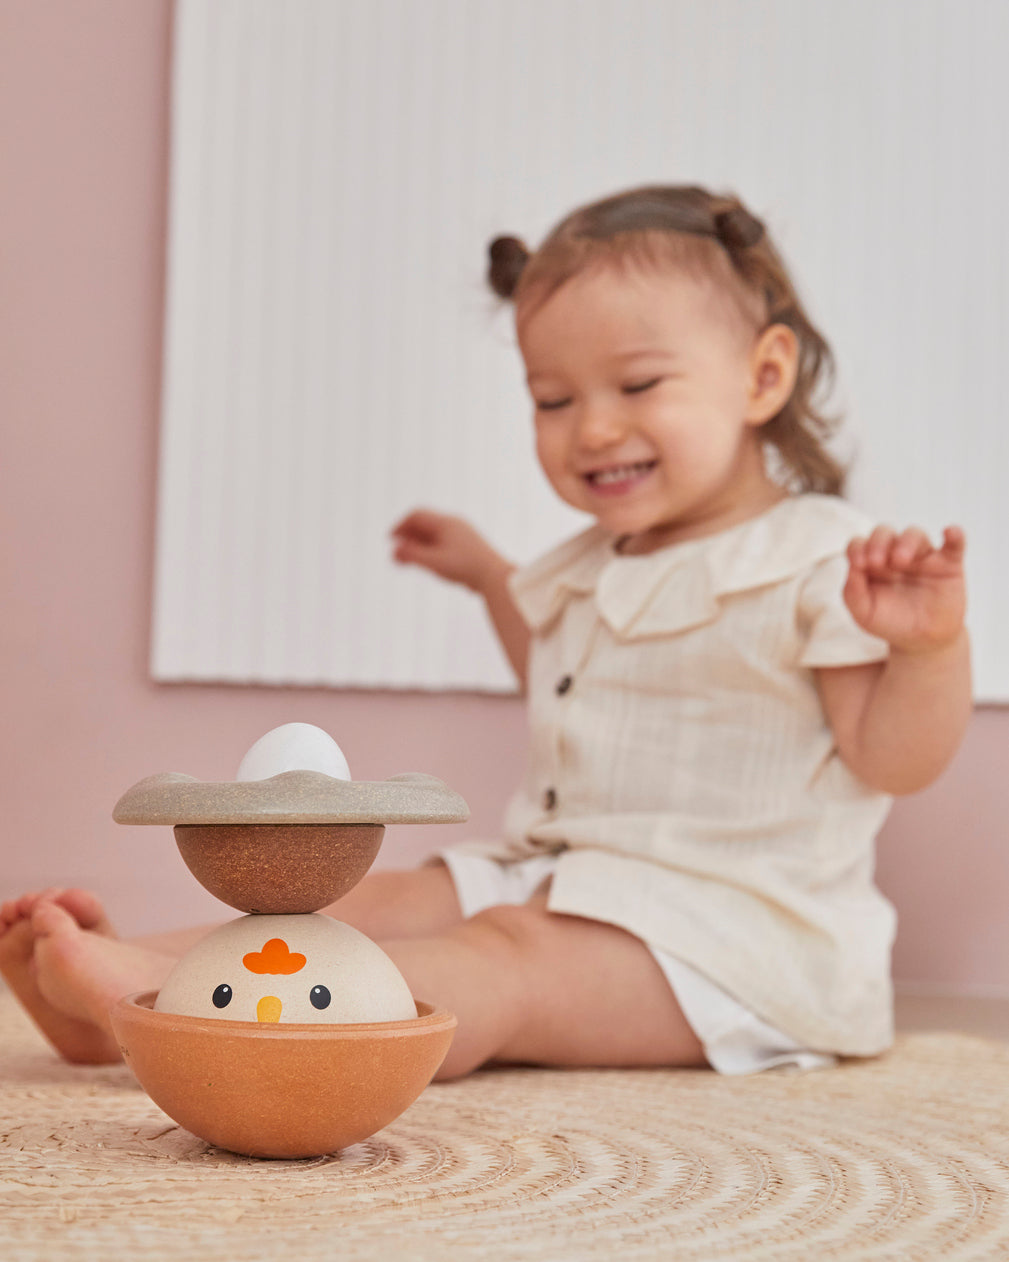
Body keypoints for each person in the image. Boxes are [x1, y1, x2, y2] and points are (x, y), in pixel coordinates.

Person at [0, 184, 971, 1081]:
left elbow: (891, 757)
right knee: (382, 897)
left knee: (505, 955)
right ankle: (130, 986)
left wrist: (926, 648)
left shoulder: (816, 557)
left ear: (761, 377)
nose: (592, 429)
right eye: (553, 400)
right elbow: (564, 669)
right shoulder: (593, 563)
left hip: (732, 939)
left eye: (637, 385)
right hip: (559, 875)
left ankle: (183, 1006)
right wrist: (486, 576)